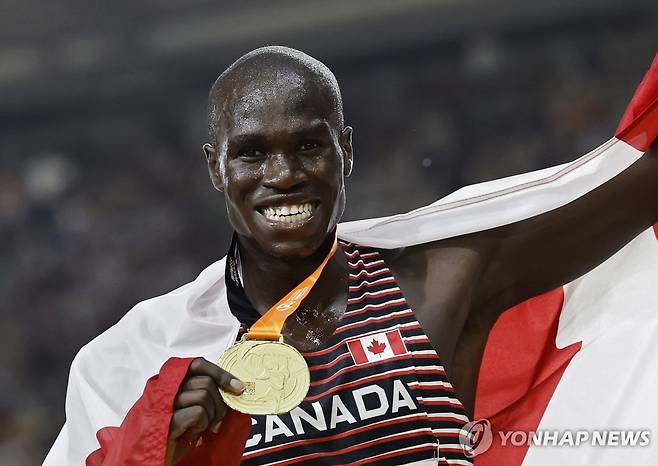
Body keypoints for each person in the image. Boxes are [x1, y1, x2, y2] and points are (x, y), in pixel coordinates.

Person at [44, 46, 658, 466]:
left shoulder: (439, 283)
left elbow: (640, 186)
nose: (282, 175)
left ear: (347, 151)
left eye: (309, 146)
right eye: (252, 154)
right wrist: (158, 447)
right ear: (215, 166)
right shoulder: (142, 357)